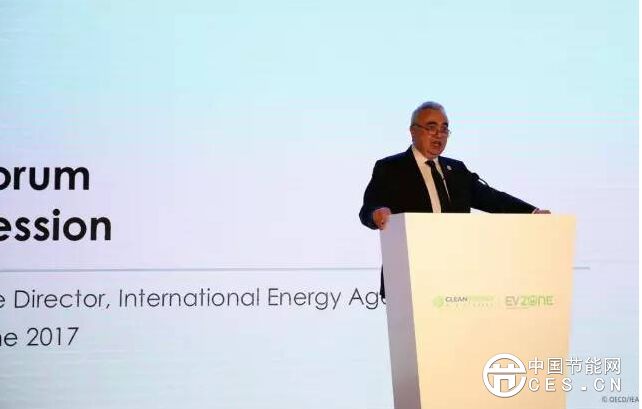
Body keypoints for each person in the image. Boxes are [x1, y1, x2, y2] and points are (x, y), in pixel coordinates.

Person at [359, 101, 550, 298]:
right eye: (431, 127)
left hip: (456, 275)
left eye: (444, 129)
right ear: (413, 131)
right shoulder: (391, 167)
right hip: (409, 277)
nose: (439, 134)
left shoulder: (456, 170)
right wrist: (376, 214)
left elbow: (492, 198)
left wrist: (531, 212)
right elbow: (368, 209)